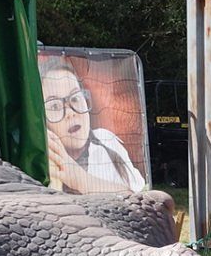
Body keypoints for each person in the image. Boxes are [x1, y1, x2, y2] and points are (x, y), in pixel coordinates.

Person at [41, 61, 145, 194]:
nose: (71, 113)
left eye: (75, 98)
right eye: (55, 106)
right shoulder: (37, 160)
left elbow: (137, 199)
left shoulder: (106, 140)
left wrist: (82, 180)